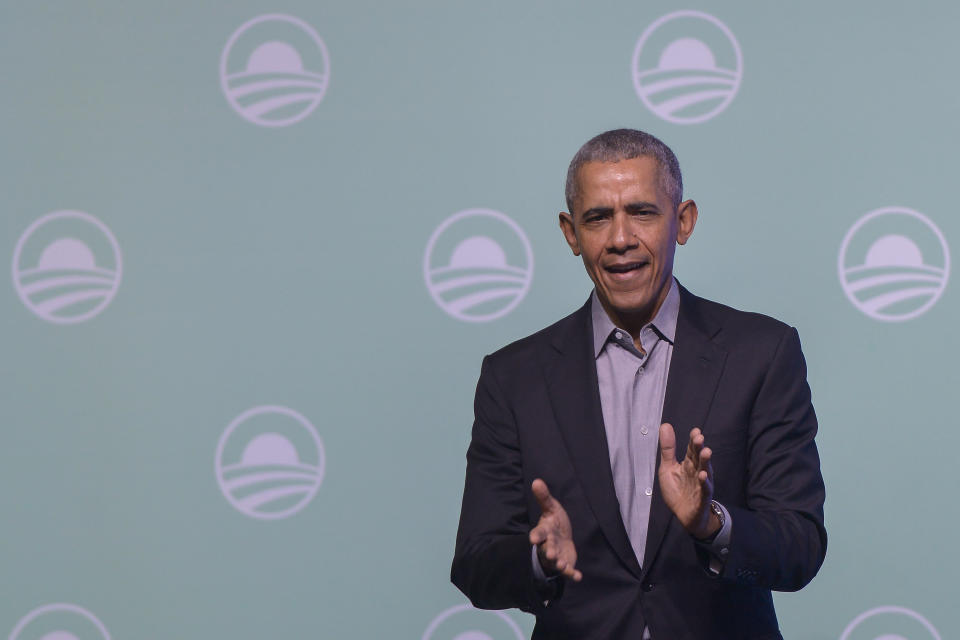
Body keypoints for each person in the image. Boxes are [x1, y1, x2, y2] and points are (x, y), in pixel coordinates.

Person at [450, 129, 826, 639]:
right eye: (598, 217)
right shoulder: (513, 377)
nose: (621, 238)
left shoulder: (762, 353)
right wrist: (537, 559)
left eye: (643, 212)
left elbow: (800, 547)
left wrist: (710, 523)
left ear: (684, 220)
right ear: (570, 233)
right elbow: (475, 562)